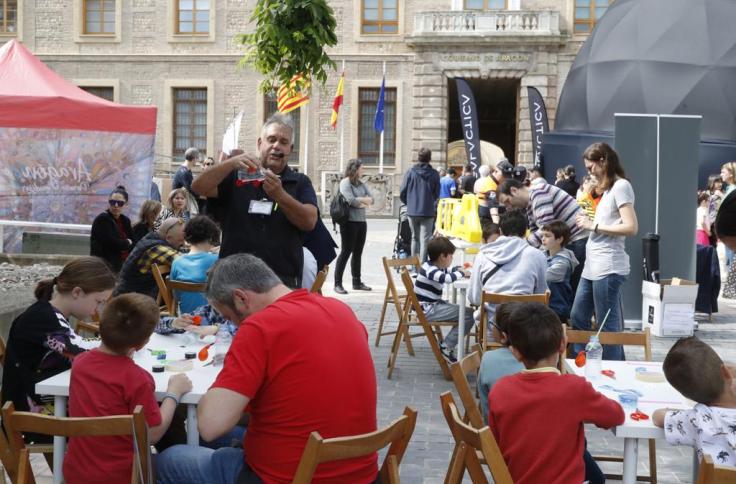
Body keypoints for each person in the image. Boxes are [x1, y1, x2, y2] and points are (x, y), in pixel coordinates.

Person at [155, 254, 378, 484]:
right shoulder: (340, 310)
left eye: (231, 318)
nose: (233, 326)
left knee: (170, 459)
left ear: (241, 298)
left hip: (290, 476)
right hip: (359, 473)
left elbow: (210, 425)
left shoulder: (259, 328)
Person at [63, 294, 193, 483]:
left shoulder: (80, 363)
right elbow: (152, 435)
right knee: (179, 461)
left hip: (76, 472)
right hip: (125, 475)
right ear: (141, 344)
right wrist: (173, 393)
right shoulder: (137, 379)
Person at [488, 303, 624, 484]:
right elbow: (615, 415)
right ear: (562, 344)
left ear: (516, 352)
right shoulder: (574, 389)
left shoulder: (500, 390)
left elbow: (496, 443)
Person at [191, 113, 318, 288]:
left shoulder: (300, 182)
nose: (276, 146)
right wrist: (230, 163)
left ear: (291, 149)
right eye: (271, 139)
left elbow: (310, 221)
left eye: (283, 142)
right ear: (260, 143)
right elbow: (198, 187)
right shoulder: (236, 176)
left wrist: (280, 195)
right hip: (234, 281)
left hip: (279, 282)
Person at [2, 257, 116, 417]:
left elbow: (79, 342)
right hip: (31, 418)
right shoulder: (42, 318)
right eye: (98, 301)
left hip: (43, 404)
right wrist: (119, 346)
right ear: (77, 292)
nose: (97, 309)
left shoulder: (51, 314)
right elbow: (80, 353)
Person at [572, 142, 638, 361]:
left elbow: (631, 227)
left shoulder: (621, 187)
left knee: (607, 324)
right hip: (594, 264)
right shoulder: (609, 189)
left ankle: (613, 370)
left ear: (603, 161)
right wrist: (591, 220)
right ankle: (582, 365)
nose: (589, 173)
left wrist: (594, 226)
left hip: (608, 265)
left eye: (591, 168)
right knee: (578, 316)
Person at [653, 337, 736, 466]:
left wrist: (682, 412)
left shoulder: (697, 419)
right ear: (726, 371)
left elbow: (658, 417)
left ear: (688, 397)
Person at [497, 178, 588, 292]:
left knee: (571, 290)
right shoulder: (530, 203)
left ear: (514, 190)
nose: (508, 207)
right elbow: (537, 233)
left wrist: (518, 248)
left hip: (577, 240)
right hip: (569, 242)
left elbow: (546, 229)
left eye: (507, 201)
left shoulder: (538, 193)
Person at [468, 209, 548, 329]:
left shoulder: (483, 254)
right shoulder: (538, 256)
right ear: (525, 232)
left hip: (492, 328)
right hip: (525, 329)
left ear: (500, 231)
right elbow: (540, 296)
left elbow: (474, 297)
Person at [414, 236, 473, 362]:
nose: (452, 258)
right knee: (469, 314)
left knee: (466, 312)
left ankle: (447, 344)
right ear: (443, 256)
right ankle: (447, 346)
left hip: (430, 307)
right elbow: (445, 278)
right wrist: (462, 273)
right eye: (451, 256)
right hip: (428, 310)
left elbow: (447, 271)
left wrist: (457, 269)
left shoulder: (432, 266)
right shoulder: (430, 270)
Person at [115, 217, 186, 298]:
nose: (184, 244)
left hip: (137, 296)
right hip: (130, 301)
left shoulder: (152, 239)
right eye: (181, 241)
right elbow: (185, 264)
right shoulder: (155, 248)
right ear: (168, 238)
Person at [477, 302, 523, 424]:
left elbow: (486, 407)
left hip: (496, 435)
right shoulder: (539, 361)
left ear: (503, 336)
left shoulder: (488, 358)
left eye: (493, 325)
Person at [334, 158, 373, 294]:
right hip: (349, 222)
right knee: (346, 252)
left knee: (358, 253)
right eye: (362, 168)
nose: (363, 170)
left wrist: (361, 201)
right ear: (355, 169)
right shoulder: (345, 182)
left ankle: (357, 282)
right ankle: (337, 283)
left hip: (361, 222)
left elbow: (372, 198)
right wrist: (363, 202)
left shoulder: (361, 184)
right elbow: (350, 201)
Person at [170, 215, 221, 313]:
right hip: (213, 318)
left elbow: (176, 296)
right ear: (211, 237)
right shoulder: (218, 260)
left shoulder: (177, 262)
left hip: (186, 317)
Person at [400, 147, 440, 264]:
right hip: (427, 211)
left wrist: (409, 202)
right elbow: (436, 193)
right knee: (425, 240)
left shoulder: (410, 172)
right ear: (430, 158)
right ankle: (422, 267)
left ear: (418, 157)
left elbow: (403, 191)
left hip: (413, 211)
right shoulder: (434, 174)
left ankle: (414, 265)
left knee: (414, 238)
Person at [541, 220, 579, 322]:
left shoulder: (563, 262)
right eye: (542, 236)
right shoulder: (543, 254)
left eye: (547, 236)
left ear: (559, 239)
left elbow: (542, 277)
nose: (543, 239)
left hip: (556, 309)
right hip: (543, 305)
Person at [90, 185, 133, 272]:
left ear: (126, 204)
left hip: (122, 264)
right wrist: (127, 242)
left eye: (120, 203)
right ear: (109, 202)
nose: (116, 205)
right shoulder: (102, 219)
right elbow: (112, 243)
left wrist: (126, 243)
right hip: (104, 266)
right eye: (113, 202)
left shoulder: (125, 220)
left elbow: (133, 240)